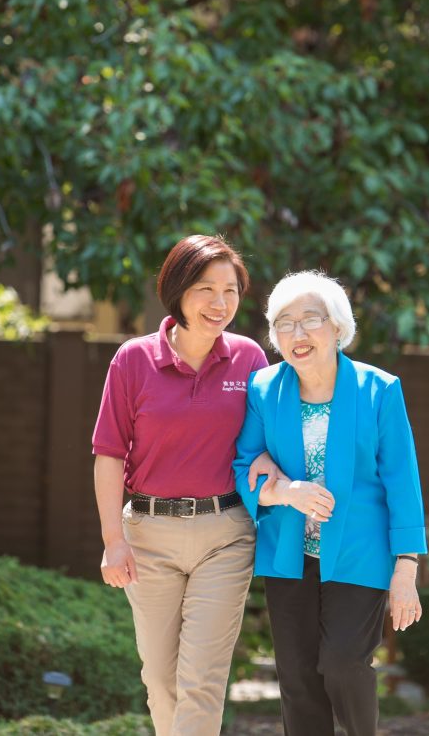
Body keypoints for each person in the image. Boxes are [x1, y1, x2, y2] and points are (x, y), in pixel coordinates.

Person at [92, 234, 278, 736]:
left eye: (231, 290)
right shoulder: (133, 360)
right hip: (148, 535)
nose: (220, 303)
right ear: (177, 290)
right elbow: (109, 454)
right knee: (160, 679)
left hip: (226, 534)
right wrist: (114, 540)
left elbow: (265, 445)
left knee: (202, 679)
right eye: (205, 289)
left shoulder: (249, 359)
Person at [233, 270, 427, 736]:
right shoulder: (263, 389)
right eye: (284, 323)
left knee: (342, 663)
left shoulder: (379, 390)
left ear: (338, 326)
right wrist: (284, 492)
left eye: (310, 320)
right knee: (298, 680)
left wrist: (406, 567)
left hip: (359, 553)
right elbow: (243, 466)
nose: (297, 334)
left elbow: (403, 482)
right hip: (288, 553)